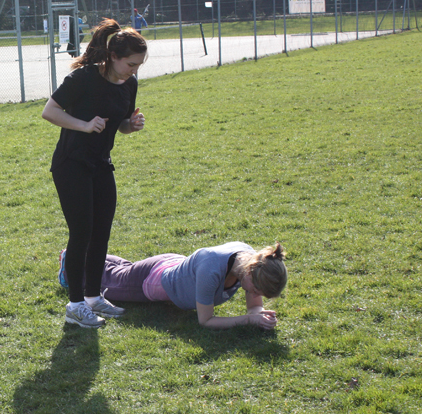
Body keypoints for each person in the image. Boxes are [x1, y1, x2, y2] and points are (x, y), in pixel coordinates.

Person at [41, 19, 147, 328]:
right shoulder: (84, 78)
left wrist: (132, 125)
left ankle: (93, 297)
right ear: (113, 56)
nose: (134, 70)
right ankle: (75, 306)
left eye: (139, 65)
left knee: (102, 231)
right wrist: (85, 125)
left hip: (101, 162)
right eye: (130, 63)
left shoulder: (130, 83)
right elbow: (50, 111)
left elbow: (121, 124)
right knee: (82, 233)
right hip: (71, 162)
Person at [59, 242, 288, 330]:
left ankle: (82, 253)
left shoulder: (251, 261)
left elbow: (254, 307)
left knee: (124, 270)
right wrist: (248, 319)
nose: (254, 295)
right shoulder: (214, 270)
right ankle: (69, 263)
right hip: (152, 282)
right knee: (108, 280)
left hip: (172, 266)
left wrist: (259, 315)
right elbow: (205, 320)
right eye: (255, 290)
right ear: (250, 272)